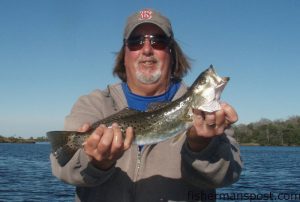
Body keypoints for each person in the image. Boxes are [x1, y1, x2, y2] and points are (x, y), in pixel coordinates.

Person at [50, 8, 242, 202]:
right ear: (124, 55)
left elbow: (228, 175)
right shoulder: (93, 104)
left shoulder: (212, 115)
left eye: (158, 41)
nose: (147, 50)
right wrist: (96, 163)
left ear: (172, 52)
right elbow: (63, 169)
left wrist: (203, 146)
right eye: (135, 42)